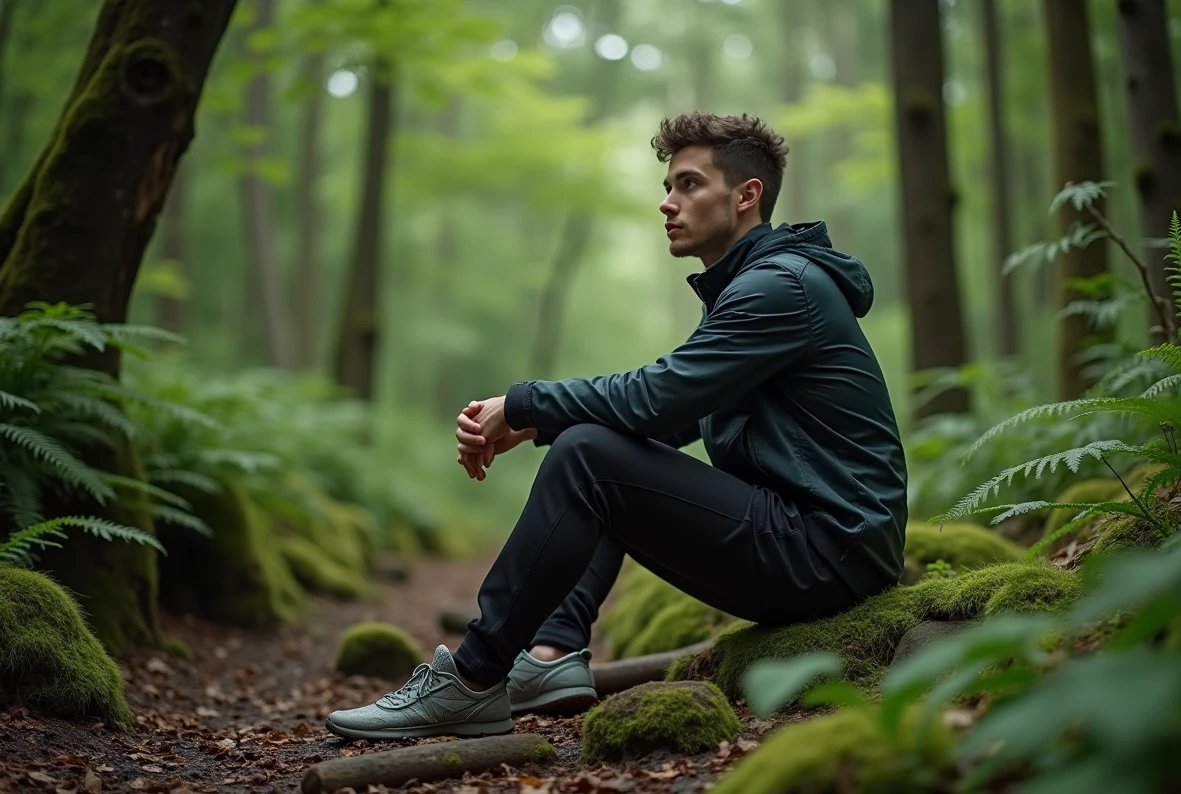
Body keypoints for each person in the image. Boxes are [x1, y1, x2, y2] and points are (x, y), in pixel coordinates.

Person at [325, 112, 908, 741]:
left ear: (746, 196)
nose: (667, 202)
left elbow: (656, 398)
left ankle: (470, 679)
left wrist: (524, 405)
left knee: (590, 456)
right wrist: (538, 425)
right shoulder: (756, 286)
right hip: (819, 544)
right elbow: (664, 421)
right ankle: (551, 655)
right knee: (602, 451)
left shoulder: (779, 288)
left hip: (829, 550)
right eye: (668, 185)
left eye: (689, 185)